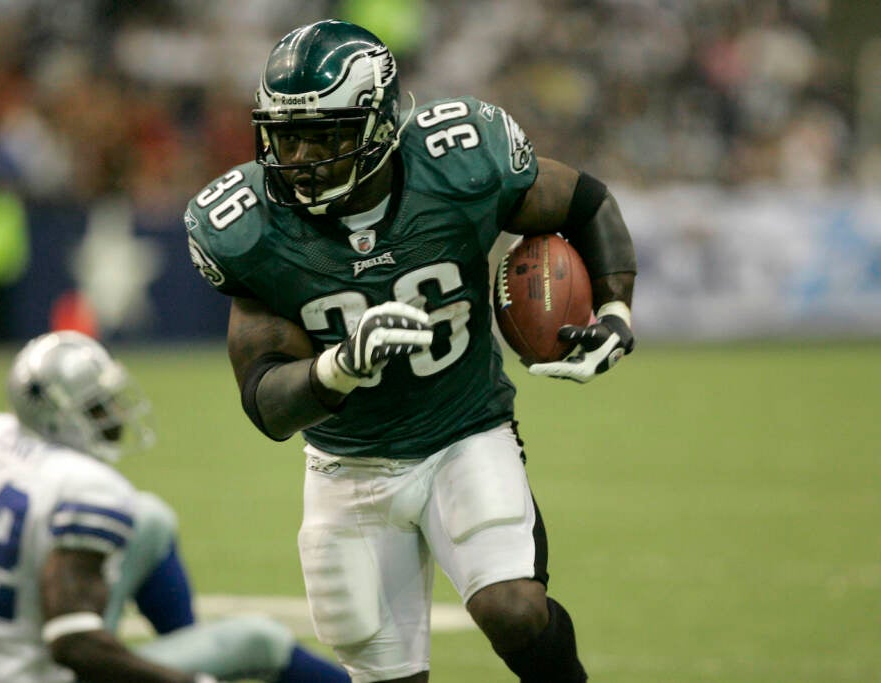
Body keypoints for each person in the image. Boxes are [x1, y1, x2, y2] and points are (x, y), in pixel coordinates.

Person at [183, 19, 636, 683]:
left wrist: (617, 310)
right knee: (385, 671)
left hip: (465, 430)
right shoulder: (248, 227)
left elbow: (586, 202)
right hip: (348, 464)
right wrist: (338, 366)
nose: (301, 155)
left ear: (378, 124)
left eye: (325, 133)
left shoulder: (460, 160)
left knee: (513, 608)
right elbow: (265, 401)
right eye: (286, 134)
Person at [0, 330, 350, 683]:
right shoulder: (86, 487)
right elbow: (73, 645)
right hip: (42, 671)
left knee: (149, 518)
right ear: (56, 415)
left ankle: (180, 641)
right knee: (258, 640)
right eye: (96, 406)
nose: (112, 415)